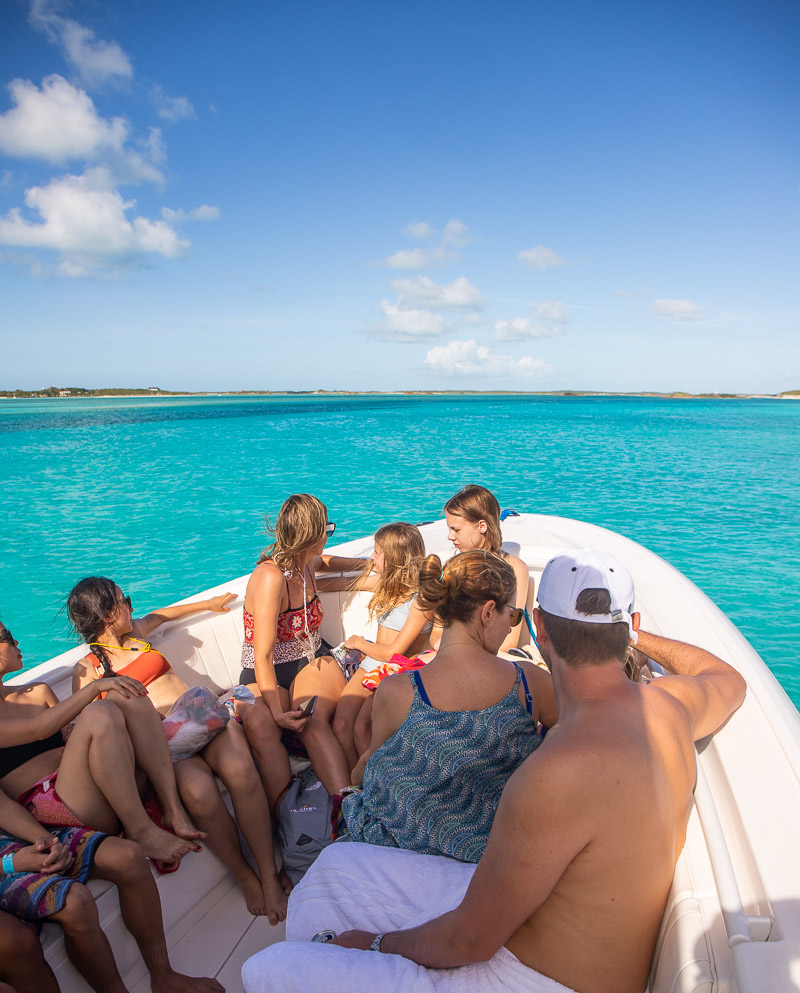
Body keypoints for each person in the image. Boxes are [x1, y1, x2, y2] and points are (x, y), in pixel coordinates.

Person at [241, 547, 747, 993]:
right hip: (549, 933)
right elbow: (728, 679)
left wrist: (373, 945)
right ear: (630, 628)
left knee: (266, 969)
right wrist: (629, 635)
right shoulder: (670, 708)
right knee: (333, 872)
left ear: (540, 628)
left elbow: (470, 940)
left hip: (529, 976)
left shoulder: (552, 776)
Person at [67, 579, 287, 923]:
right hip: (163, 745)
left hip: (203, 717)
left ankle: (269, 875)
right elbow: (91, 719)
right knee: (199, 794)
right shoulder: (89, 668)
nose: (133, 608)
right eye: (128, 602)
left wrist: (209, 603)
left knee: (241, 771)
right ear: (111, 613)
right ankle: (245, 875)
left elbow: (162, 615)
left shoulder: (137, 632)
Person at [338, 549, 556, 861]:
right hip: (494, 856)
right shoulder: (528, 684)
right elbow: (578, 735)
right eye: (513, 615)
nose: (511, 627)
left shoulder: (398, 690)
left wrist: (354, 779)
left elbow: (369, 765)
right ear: (488, 612)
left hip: (403, 853)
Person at [0, 621, 202, 870]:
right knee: (100, 710)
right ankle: (140, 830)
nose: (16, 642)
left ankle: (173, 808)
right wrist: (96, 686)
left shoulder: (38, 692)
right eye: (7, 636)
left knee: (124, 694)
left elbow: (69, 737)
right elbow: (39, 729)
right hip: (61, 805)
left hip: (99, 783)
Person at [0, 785, 223, 993]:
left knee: (128, 857)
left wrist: (44, 840)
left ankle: (163, 976)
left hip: (9, 842)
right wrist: (13, 863)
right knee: (75, 903)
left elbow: (2, 805)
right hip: (7, 862)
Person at [237, 494, 365, 804]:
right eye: (327, 530)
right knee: (265, 723)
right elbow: (263, 655)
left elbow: (328, 562)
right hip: (264, 670)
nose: (328, 536)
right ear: (310, 534)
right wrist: (278, 712)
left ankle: (346, 808)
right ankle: (283, 814)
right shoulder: (270, 578)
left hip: (310, 658)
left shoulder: (306, 563)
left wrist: (370, 565)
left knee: (312, 721)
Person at [325, 523, 433, 771]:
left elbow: (395, 652)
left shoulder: (421, 599)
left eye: (377, 552)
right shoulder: (386, 584)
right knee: (341, 725)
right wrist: (304, 578)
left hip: (396, 669)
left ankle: (378, 787)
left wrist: (358, 643)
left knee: (363, 728)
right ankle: (355, 790)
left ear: (395, 558)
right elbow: (332, 583)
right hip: (373, 661)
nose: (371, 557)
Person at [443, 484, 530, 652]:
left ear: (482, 526)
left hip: (492, 657)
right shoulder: (455, 567)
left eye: (456, 529)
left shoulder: (515, 568)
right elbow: (438, 634)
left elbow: (509, 641)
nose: (449, 536)